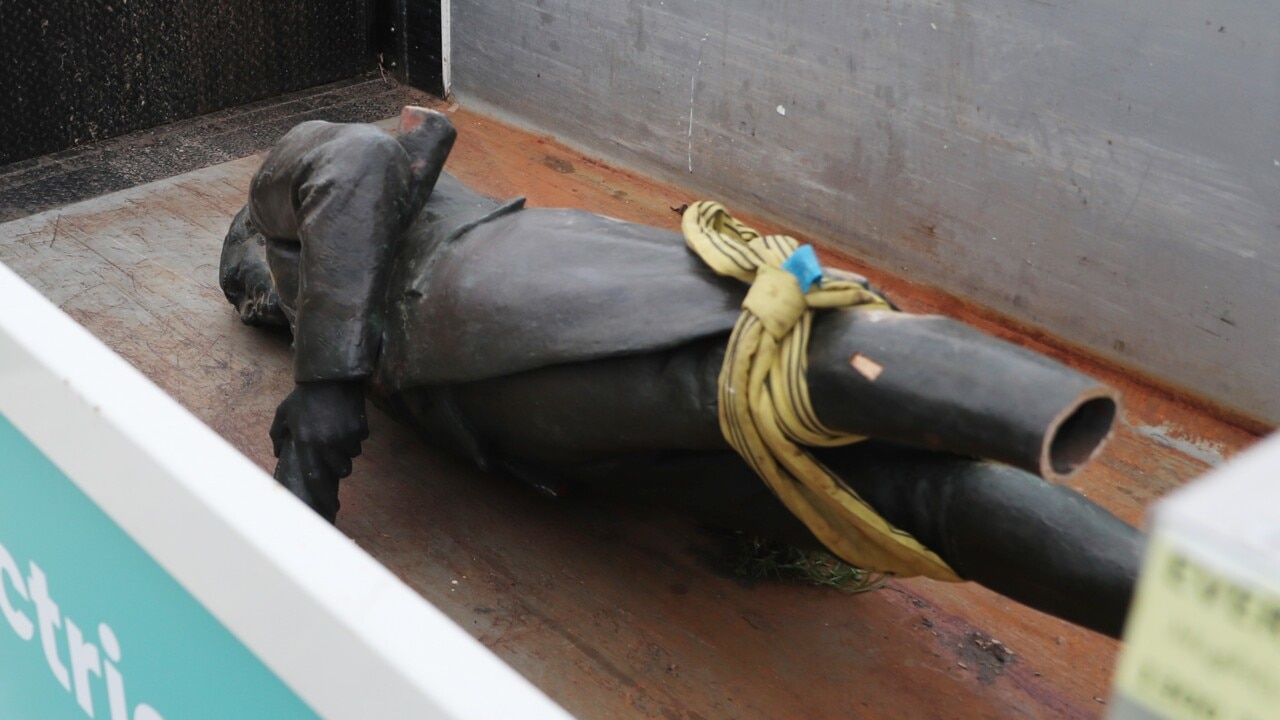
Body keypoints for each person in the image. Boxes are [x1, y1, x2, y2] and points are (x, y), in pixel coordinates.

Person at [220, 107, 1143, 638]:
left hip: (522, 296)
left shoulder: (291, 193)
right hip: (550, 445)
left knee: (785, 366)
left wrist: (327, 383)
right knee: (897, 503)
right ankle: (1219, 650)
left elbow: (362, 157)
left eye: (249, 284)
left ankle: (1040, 409)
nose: (256, 300)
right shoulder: (320, 328)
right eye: (252, 303)